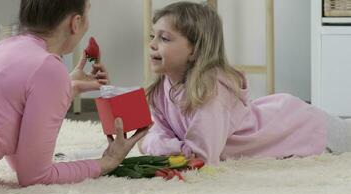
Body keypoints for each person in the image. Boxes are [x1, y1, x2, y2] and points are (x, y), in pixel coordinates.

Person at [139, 1, 351, 165]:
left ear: (195, 50)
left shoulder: (210, 91)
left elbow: (200, 156)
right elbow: (158, 133)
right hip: (274, 119)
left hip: (297, 125)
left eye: (164, 38)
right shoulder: (161, 89)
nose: (152, 44)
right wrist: (154, 143)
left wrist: (154, 145)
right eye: (152, 36)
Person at [0, 0, 149, 187]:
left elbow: (20, 159)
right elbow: (33, 176)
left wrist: (70, 87)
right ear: (75, 23)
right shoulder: (49, 69)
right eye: (87, 14)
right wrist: (107, 163)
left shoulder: (4, 47)